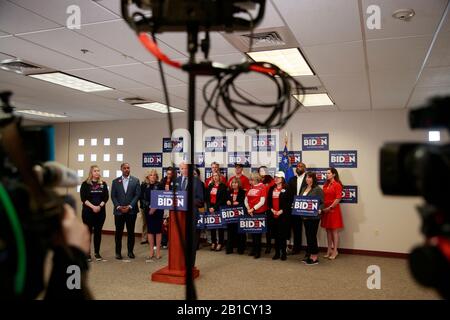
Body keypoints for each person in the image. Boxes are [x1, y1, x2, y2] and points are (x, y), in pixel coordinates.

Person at [175, 162, 204, 266]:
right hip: (178, 216)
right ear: (180, 170)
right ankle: (179, 263)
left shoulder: (197, 182)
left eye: (186, 168)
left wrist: (188, 199)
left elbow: (200, 201)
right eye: (182, 168)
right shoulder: (176, 181)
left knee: (191, 241)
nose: (184, 170)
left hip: (191, 215)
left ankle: (190, 265)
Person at [111, 163, 141, 260]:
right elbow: (113, 196)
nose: (127, 169)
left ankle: (130, 252)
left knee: (131, 232)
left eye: (128, 168)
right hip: (119, 212)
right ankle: (118, 252)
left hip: (131, 211)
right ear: (121, 169)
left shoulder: (135, 181)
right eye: (125, 168)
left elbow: (137, 195)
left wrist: (130, 206)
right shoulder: (115, 182)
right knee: (118, 233)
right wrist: (119, 206)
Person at [80, 165, 109, 261]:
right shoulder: (85, 184)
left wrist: (99, 206)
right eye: (95, 171)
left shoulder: (103, 184)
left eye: (98, 171)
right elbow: (83, 199)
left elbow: (106, 197)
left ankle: (97, 252)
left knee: (98, 233)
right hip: (88, 212)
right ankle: (87, 253)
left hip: (100, 213)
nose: (97, 172)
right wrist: (93, 207)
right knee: (87, 233)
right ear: (91, 173)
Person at [300, 172, 325, 265]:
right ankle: (309, 253)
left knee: (312, 236)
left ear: (313, 179)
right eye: (306, 177)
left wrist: (320, 209)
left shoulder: (317, 189)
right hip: (305, 217)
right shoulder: (304, 188)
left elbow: (322, 202)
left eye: (309, 177)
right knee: (308, 236)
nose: (307, 179)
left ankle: (314, 257)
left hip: (314, 217)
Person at [267, 171, 293, 261]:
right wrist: (273, 210)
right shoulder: (271, 189)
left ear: (282, 179)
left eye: (278, 177)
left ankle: (283, 253)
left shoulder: (287, 189)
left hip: (283, 216)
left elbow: (289, 202)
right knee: (275, 235)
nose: (276, 179)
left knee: (282, 236)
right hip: (273, 215)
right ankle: (277, 253)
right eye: (275, 177)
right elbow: (269, 202)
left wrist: (281, 211)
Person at [321, 167, 344, 260]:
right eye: (326, 173)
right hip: (326, 210)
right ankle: (329, 250)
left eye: (329, 173)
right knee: (328, 230)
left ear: (334, 174)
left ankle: (335, 251)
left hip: (333, 210)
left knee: (334, 231)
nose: (327, 174)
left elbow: (338, 198)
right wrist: (324, 208)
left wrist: (330, 207)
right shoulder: (325, 185)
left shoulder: (337, 185)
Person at [244, 173, 267, 259]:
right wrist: (248, 208)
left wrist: (253, 209)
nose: (250, 182)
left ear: (256, 179)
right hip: (250, 212)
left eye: (252, 180)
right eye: (250, 180)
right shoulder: (250, 187)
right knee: (252, 233)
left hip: (259, 212)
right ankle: (253, 249)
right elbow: (246, 199)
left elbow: (262, 201)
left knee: (257, 234)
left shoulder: (262, 187)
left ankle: (258, 251)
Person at [143, 169, 164, 261]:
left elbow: (162, 197)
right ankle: (151, 251)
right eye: (151, 175)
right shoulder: (144, 185)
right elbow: (142, 198)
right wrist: (149, 207)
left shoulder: (160, 185)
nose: (153, 176)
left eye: (154, 175)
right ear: (148, 176)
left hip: (158, 210)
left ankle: (158, 252)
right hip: (148, 211)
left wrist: (154, 207)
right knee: (150, 231)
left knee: (158, 230)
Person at [287, 162, 307, 255]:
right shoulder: (292, 179)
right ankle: (296, 248)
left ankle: (310, 249)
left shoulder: (308, 178)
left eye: (301, 166)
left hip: (306, 207)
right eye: (297, 166)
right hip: (294, 207)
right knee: (296, 228)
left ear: (305, 169)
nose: (299, 167)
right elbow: (289, 193)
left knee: (308, 229)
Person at [206, 171, 228, 251]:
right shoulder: (210, 186)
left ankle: (220, 243)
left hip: (219, 208)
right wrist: (209, 207)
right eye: (214, 176)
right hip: (211, 208)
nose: (215, 177)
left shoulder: (223, 186)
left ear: (219, 177)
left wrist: (214, 208)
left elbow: (222, 199)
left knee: (220, 227)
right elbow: (207, 198)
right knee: (212, 226)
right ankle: (213, 242)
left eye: (216, 176)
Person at [226, 177, 247, 254]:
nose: (234, 184)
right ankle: (229, 248)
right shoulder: (229, 191)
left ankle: (241, 249)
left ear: (239, 184)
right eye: (233, 183)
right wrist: (227, 201)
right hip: (231, 215)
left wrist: (239, 203)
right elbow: (225, 200)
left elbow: (245, 203)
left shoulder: (243, 192)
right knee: (230, 231)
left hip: (240, 215)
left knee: (240, 232)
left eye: (235, 183)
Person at [258, 166, 274, 254]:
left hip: (268, 208)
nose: (262, 172)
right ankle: (258, 246)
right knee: (258, 227)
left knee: (268, 229)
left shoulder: (271, 181)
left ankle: (268, 246)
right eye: (260, 171)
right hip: (258, 208)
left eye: (264, 170)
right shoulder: (257, 181)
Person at [160, 167, 176, 248]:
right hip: (164, 204)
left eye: (170, 174)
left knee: (172, 224)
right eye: (168, 173)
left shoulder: (176, 181)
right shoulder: (163, 180)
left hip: (172, 204)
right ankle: (164, 242)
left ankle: (172, 242)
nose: (169, 175)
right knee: (164, 223)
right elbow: (159, 191)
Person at [139, 176, 149, 245]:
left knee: (152, 223)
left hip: (153, 207)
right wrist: (143, 204)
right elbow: (140, 196)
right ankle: (144, 238)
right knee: (145, 223)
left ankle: (151, 238)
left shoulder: (156, 185)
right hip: (144, 207)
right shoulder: (143, 185)